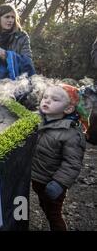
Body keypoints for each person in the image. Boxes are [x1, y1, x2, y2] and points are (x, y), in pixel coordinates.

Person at [31, 84, 87, 231]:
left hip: (51, 183)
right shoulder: (41, 120)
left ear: (68, 109)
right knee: (44, 205)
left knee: (53, 214)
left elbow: (72, 164)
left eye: (54, 99)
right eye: (45, 97)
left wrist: (59, 184)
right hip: (38, 177)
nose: (47, 101)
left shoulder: (71, 134)